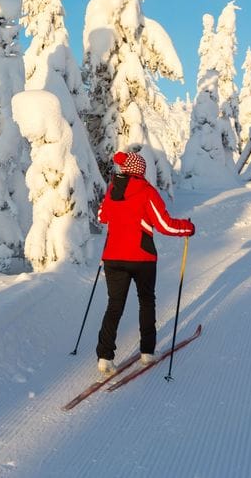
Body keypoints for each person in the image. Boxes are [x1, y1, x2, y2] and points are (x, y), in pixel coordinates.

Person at [96, 151, 195, 376]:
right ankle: (147, 353)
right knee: (146, 301)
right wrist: (187, 228)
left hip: (113, 258)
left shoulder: (113, 190)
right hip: (142, 258)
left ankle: (104, 357)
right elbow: (165, 225)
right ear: (140, 170)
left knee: (114, 305)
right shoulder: (147, 192)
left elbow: (102, 216)